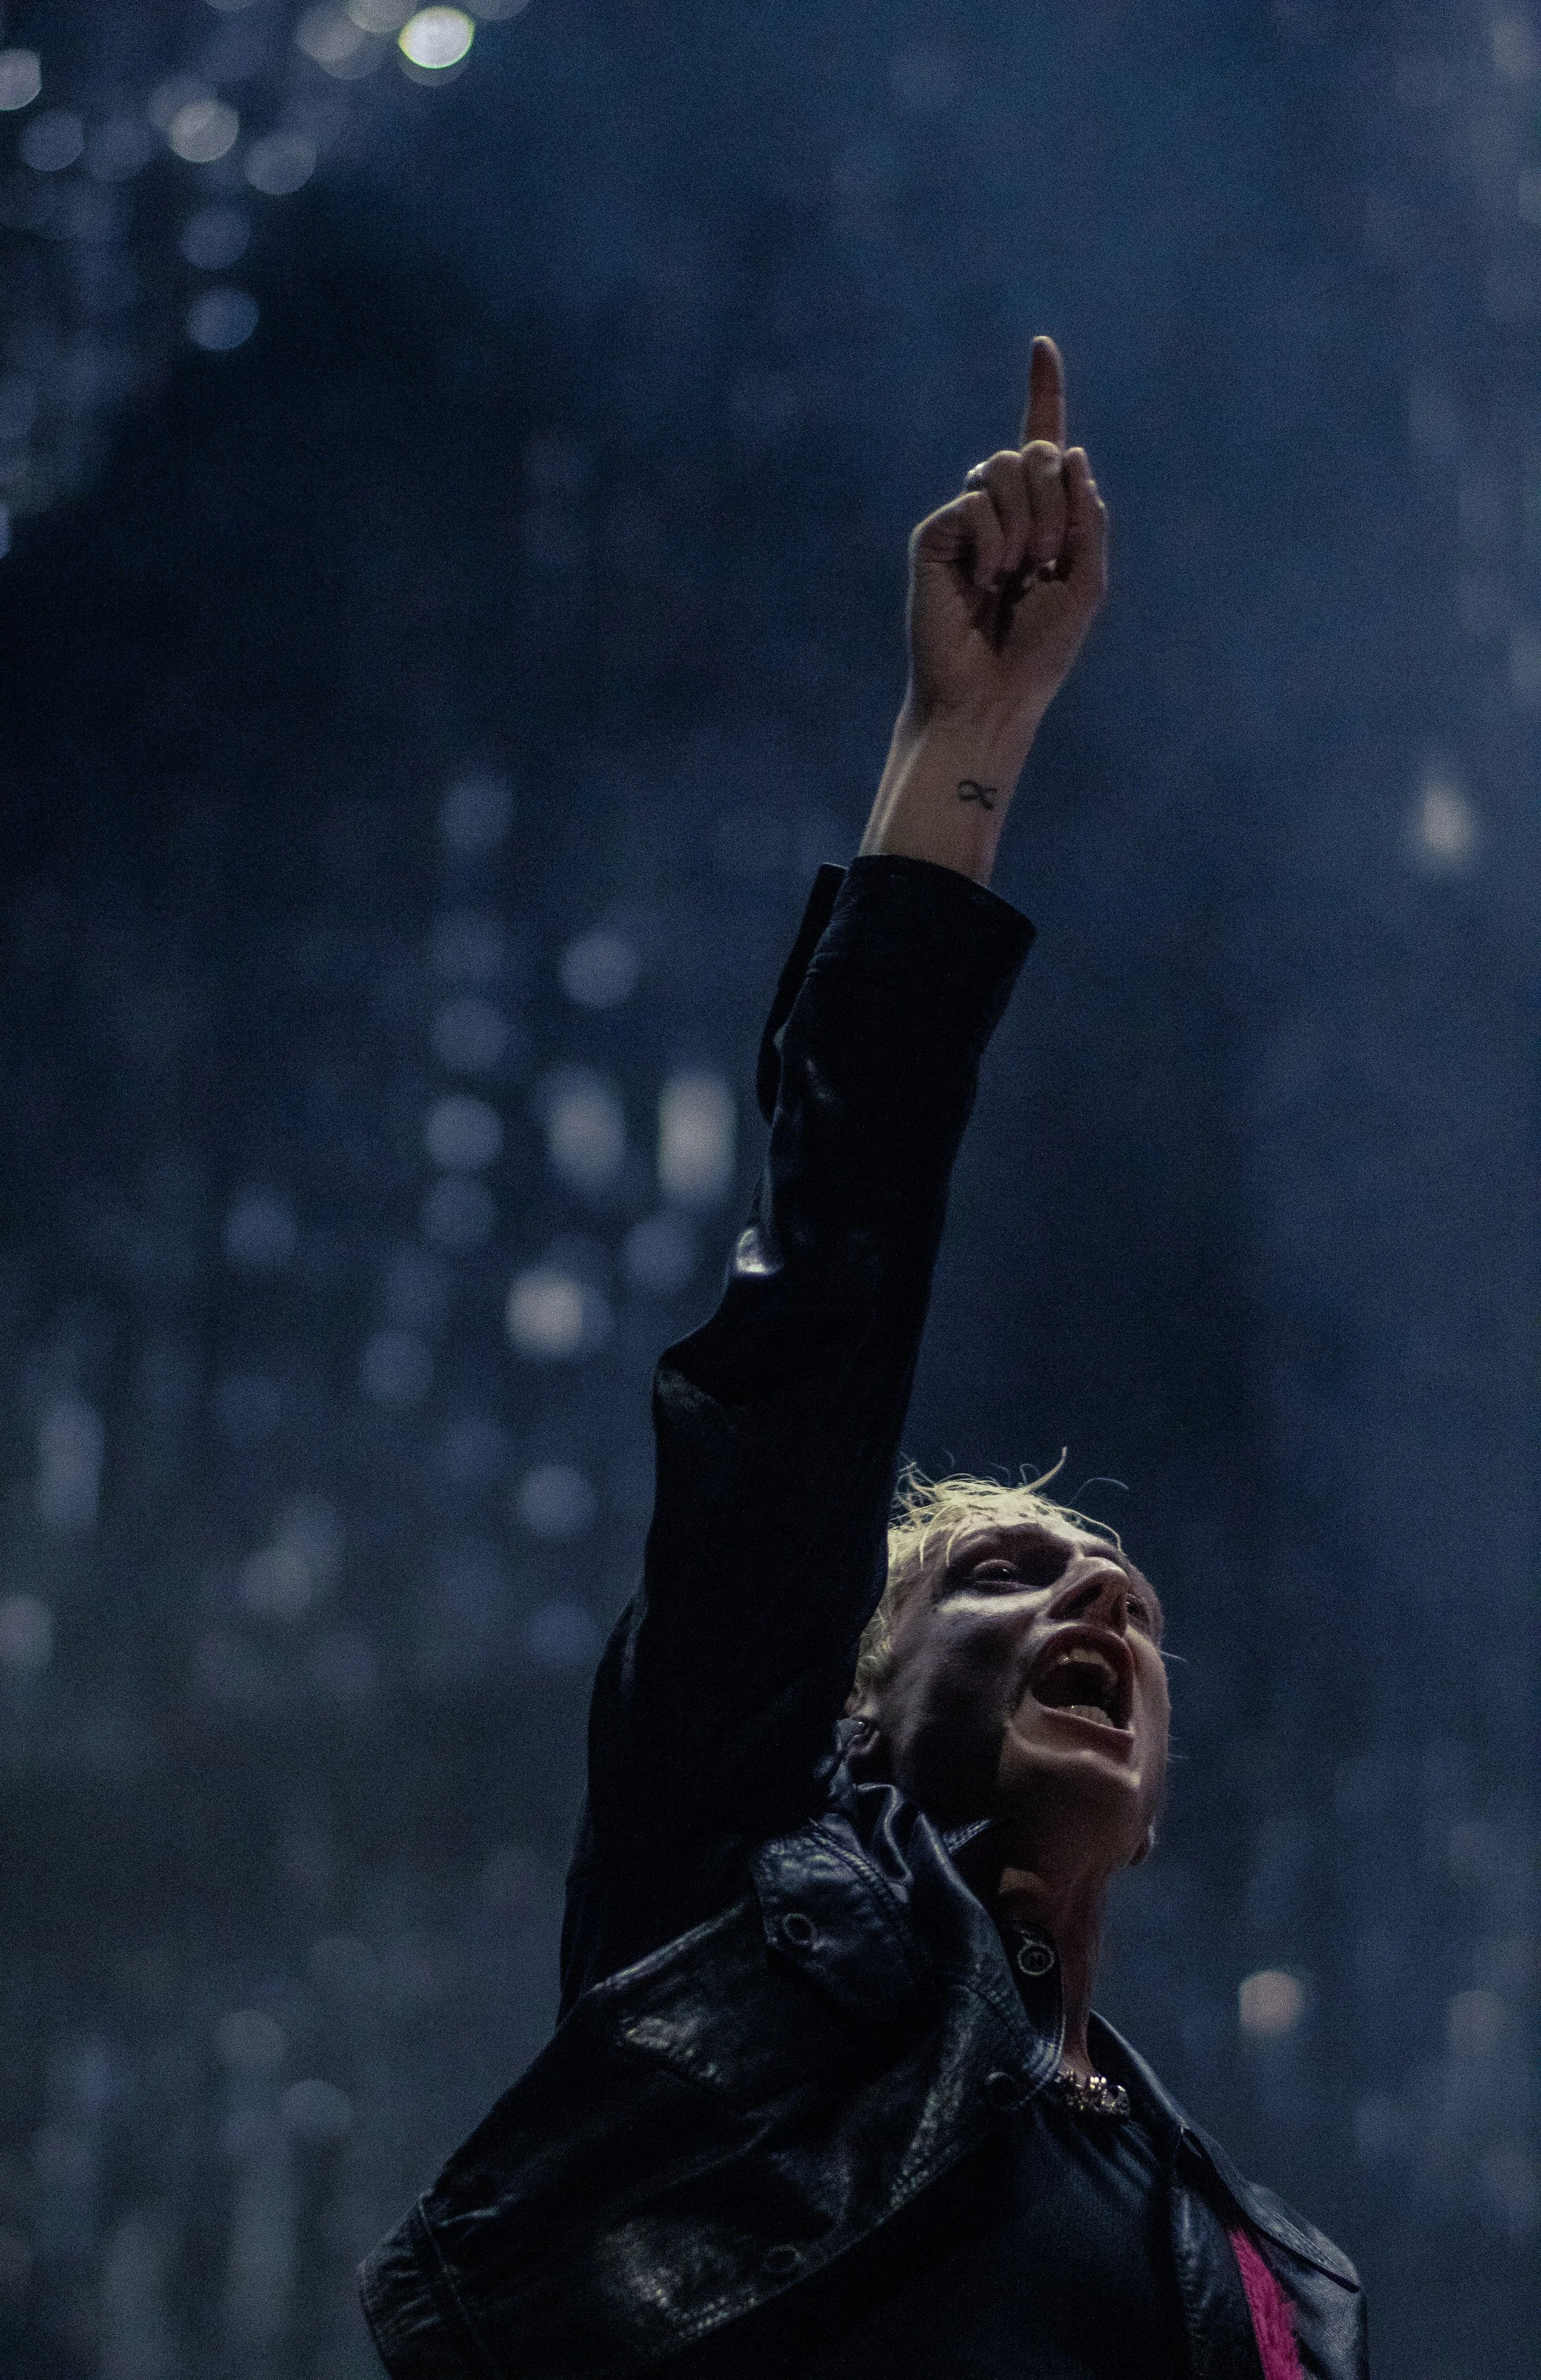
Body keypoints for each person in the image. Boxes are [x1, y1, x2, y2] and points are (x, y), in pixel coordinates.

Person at [360, 340, 1366, 2380]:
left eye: (1123, 1597)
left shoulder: (1270, 2267)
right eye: (1000, 1571)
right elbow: (819, 1324)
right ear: (847, 1702)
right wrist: (961, 740)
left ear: (1156, 1804)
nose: (1095, 1597)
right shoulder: (745, 1924)